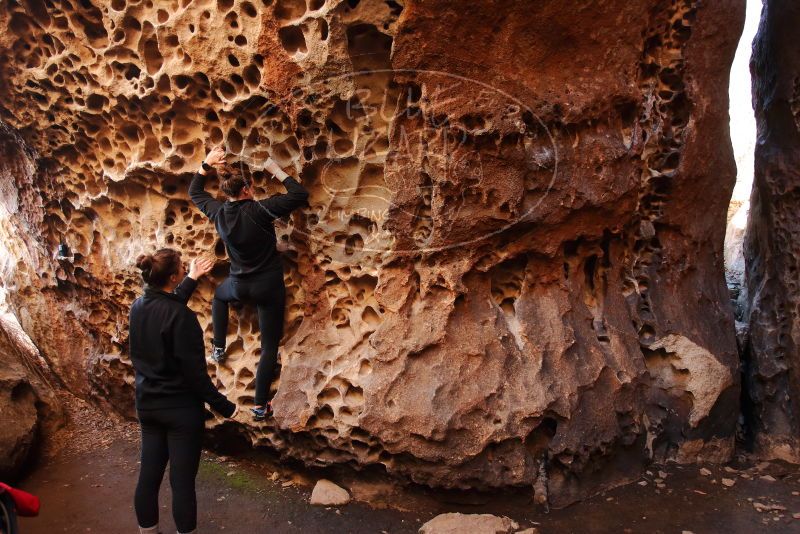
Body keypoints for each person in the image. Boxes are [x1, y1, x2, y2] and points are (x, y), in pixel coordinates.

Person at [189, 146, 308, 421]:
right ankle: (259, 405)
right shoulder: (262, 209)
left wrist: (205, 164)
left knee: (219, 296)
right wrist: (275, 170)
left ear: (227, 193)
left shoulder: (218, 212)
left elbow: (195, 192)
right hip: (267, 286)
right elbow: (299, 194)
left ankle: (218, 346)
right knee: (268, 346)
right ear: (247, 188)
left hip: (239, 285)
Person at [129, 249, 238, 534]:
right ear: (173, 276)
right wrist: (226, 406)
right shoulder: (183, 317)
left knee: (149, 477)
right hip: (180, 412)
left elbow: (166, 310)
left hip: (148, 406)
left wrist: (190, 278)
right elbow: (196, 377)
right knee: (182, 482)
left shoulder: (138, 306)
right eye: (181, 269)